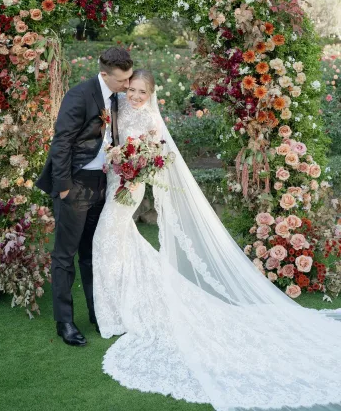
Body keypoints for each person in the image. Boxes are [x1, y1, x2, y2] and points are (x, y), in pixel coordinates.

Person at [93, 68, 341, 411]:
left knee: (107, 237)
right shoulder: (117, 104)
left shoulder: (151, 118)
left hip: (130, 187)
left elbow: (158, 157)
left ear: (151, 94)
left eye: (141, 91)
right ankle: (118, 306)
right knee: (116, 242)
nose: (134, 95)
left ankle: (113, 313)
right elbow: (109, 136)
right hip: (113, 182)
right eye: (132, 89)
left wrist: (137, 167)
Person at [36, 47, 133, 346]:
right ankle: (64, 322)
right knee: (65, 256)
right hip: (74, 184)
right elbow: (61, 142)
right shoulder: (79, 96)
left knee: (92, 255)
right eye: (122, 81)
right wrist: (63, 186)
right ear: (104, 74)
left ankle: (97, 312)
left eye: (129, 79)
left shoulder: (116, 97)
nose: (127, 86)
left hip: (100, 183)